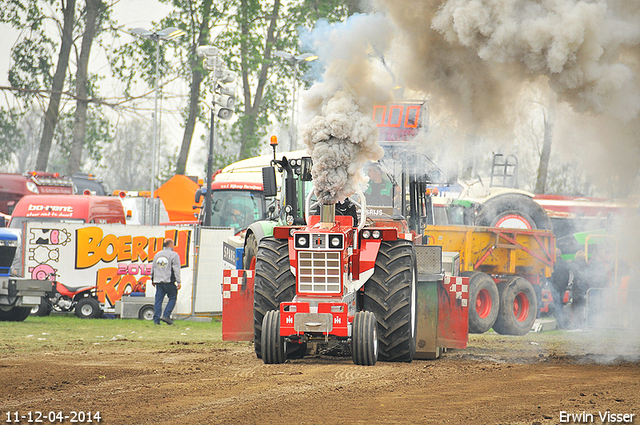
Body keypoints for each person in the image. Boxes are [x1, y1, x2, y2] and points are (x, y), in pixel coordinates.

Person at [151, 238, 181, 325]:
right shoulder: (174, 255)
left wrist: (152, 279)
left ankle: (156, 320)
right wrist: (178, 281)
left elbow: (153, 267)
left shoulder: (157, 254)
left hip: (158, 281)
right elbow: (176, 269)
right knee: (172, 297)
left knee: (158, 300)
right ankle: (166, 316)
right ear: (170, 244)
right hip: (169, 281)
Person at [549, 248, 571, 328]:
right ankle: (561, 321)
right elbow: (567, 275)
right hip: (563, 286)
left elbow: (551, 276)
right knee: (560, 304)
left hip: (556, 286)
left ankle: (560, 322)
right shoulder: (565, 263)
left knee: (557, 304)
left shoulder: (554, 264)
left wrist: (552, 284)